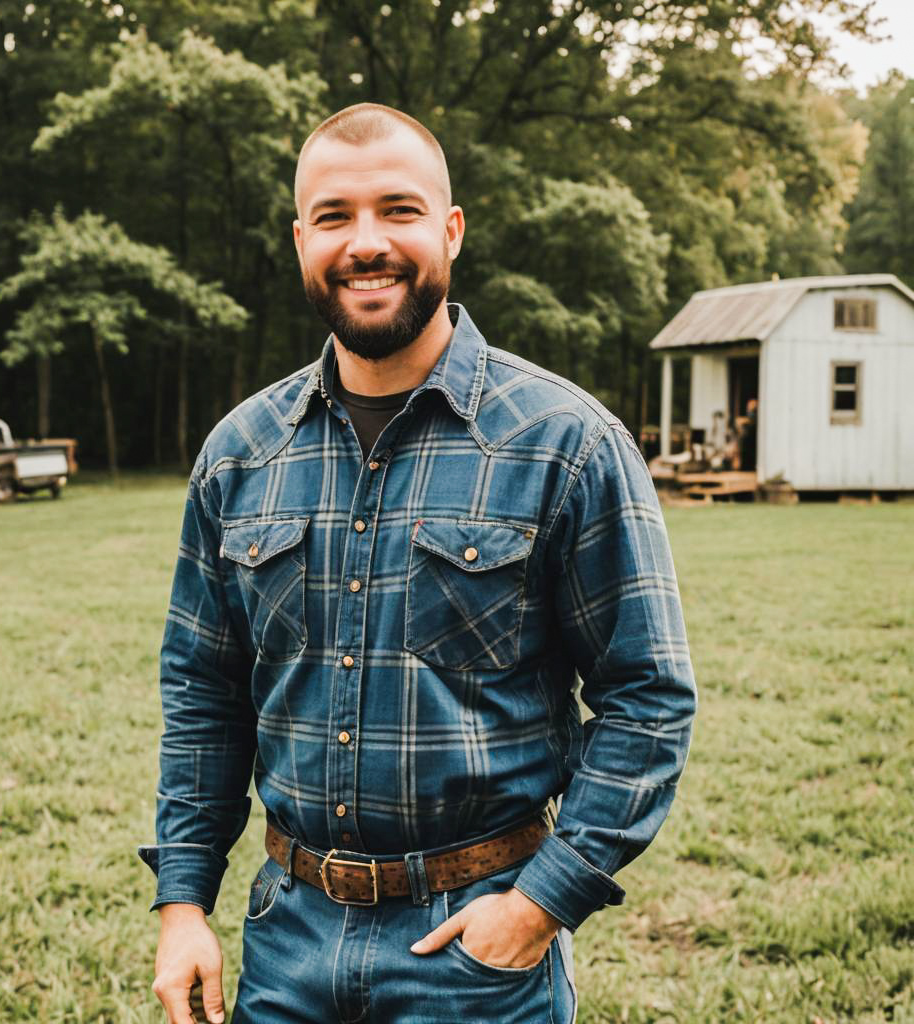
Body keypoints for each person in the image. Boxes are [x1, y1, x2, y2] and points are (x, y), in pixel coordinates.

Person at [140, 103, 696, 1024]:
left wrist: (539, 904)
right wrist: (183, 904)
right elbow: (204, 696)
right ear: (300, 240)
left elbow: (648, 697)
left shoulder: (567, 444)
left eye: (398, 210)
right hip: (285, 945)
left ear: (450, 230)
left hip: (477, 955)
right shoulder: (240, 455)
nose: (366, 243)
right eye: (334, 216)